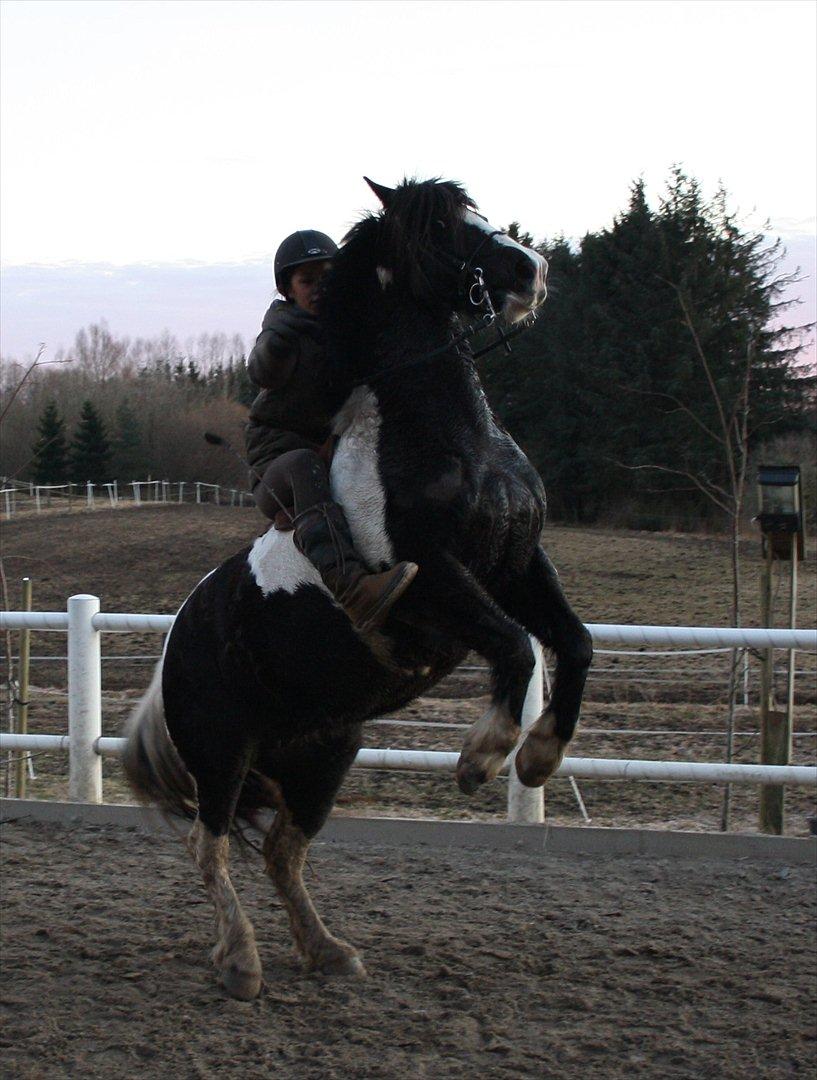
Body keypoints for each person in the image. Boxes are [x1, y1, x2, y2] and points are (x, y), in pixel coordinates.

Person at [245, 229, 417, 633]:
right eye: (307, 281)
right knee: (306, 465)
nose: (319, 289)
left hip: (334, 450)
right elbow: (261, 369)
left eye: (327, 277)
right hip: (280, 467)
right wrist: (276, 345)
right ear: (287, 290)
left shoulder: (350, 328)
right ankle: (353, 589)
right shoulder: (281, 330)